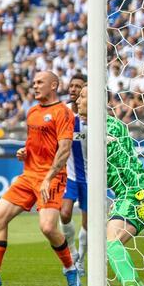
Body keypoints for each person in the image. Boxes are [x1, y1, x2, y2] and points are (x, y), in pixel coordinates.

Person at [0, 71, 80, 286]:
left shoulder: (63, 113)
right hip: (29, 175)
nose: (35, 86)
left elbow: (64, 149)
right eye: (34, 82)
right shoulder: (32, 112)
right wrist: (24, 152)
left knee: (48, 228)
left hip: (52, 176)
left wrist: (48, 178)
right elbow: (33, 143)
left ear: (54, 85)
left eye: (40, 82)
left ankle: (70, 267)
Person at [76, 86, 144, 286]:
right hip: (132, 192)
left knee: (110, 238)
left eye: (83, 95)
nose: (78, 99)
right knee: (110, 241)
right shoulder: (96, 128)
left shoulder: (107, 125)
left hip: (136, 191)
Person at [61, 74, 87, 275]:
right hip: (69, 176)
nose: (73, 89)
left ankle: (82, 262)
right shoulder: (64, 114)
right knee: (64, 213)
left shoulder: (94, 117)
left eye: (78, 86)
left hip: (90, 178)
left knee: (88, 222)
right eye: (71, 86)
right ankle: (72, 253)